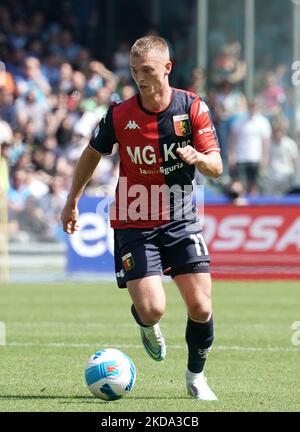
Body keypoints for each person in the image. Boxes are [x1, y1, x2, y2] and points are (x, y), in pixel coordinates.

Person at [61, 36, 223, 401]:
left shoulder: (192, 107)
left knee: (201, 306)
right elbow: (91, 155)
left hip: (180, 215)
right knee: (152, 310)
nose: (141, 78)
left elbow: (217, 165)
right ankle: (146, 324)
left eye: (147, 70)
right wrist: (72, 199)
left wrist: (197, 158)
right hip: (135, 218)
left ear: (167, 67)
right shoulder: (120, 114)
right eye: (135, 72)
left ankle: (196, 377)